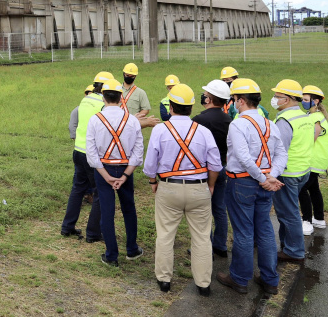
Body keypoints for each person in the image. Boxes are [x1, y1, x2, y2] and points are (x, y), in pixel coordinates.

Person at [145, 83, 222, 296]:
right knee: (201, 237)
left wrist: (153, 182)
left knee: (165, 234)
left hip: (169, 189)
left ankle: (164, 280)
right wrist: (211, 184)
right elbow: (215, 165)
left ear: (170, 107)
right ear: (191, 108)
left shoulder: (160, 130)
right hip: (199, 189)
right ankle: (203, 283)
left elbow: (150, 165)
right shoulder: (204, 131)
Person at [216, 78, 287, 296]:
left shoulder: (238, 123)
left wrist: (263, 178)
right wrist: (270, 176)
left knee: (244, 231)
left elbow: (243, 156)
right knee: (264, 229)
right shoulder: (270, 123)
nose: (234, 103)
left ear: (241, 101)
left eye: (235, 99)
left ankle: (239, 278)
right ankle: (270, 279)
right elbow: (281, 153)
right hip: (264, 185)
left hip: (243, 183)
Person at [86, 79, 145, 266]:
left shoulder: (95, 120)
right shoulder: (132, 120)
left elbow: (91, 153)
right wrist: (126, 175)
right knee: (129, 209)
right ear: (121, 97)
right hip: (126, 168)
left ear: (103, 96)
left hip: (104, 169)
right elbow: (138, 151)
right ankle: (132, 249)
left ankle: (111, 255)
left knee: (107, 211)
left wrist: (106, 177)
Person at [61, 72, 114, 241]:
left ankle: (67, 227)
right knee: (99, 192)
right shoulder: (104, 105)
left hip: (78, 151)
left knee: (77, 189)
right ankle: (93, 233)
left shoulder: (86, 99)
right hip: (93, 154)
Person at [270, 79, 313, 263]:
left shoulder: (284, 121)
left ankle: (294, 251)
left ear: (286, 99)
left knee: (289, 213)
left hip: (288, 174)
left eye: (277, 96)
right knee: (289, 211)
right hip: (303, 170)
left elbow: (279, 151)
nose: (273, 99)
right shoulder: (304, 117)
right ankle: (287, 245)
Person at [193, 79, 233, 258]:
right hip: (223, 167)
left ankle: (204, 245)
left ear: (208, 99)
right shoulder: (229, 119)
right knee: (219, 208)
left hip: (203, 170)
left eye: (206, 95)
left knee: (203, 210)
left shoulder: (199, 120)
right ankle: (220, 245)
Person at [299, 85, 328, 233]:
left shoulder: (315, 117)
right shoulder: (317, 116)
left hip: (313, 161)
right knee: (314, 188)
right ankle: (319, 219)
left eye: (306, 99)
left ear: (316, 101)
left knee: (302, 189)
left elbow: (312, 138)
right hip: (319, 161)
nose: (303, 102)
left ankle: (306, 221)